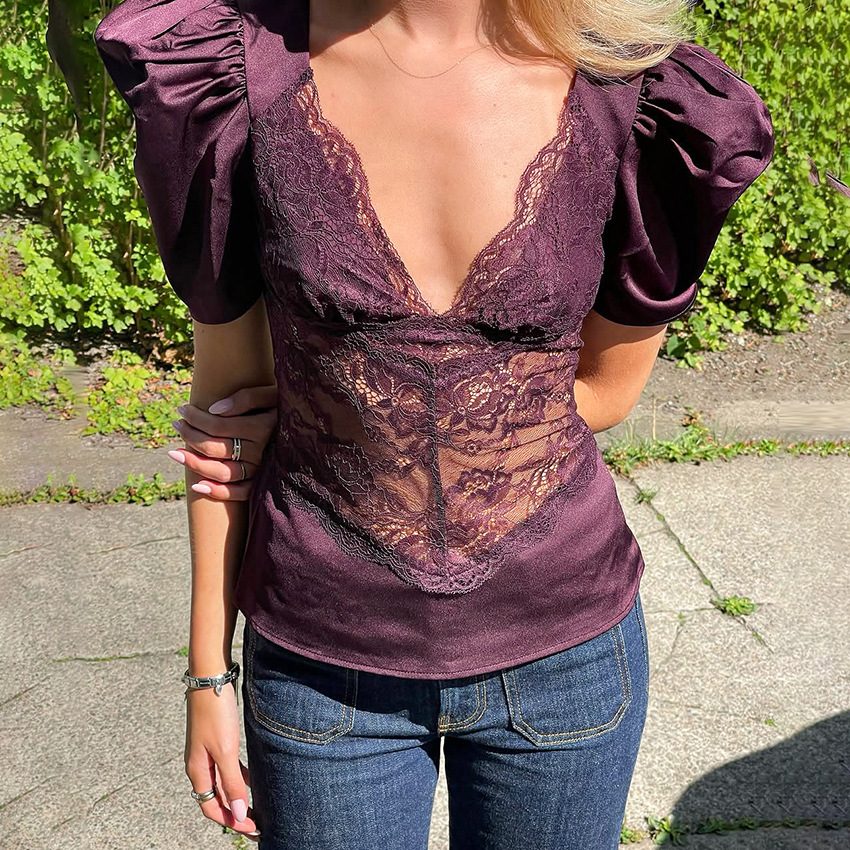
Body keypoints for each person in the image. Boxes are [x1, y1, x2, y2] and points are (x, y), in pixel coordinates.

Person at [94, 0, 774, 846]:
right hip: (321, 667)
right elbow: (226, 414)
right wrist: (208, 674)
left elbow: (604, 389)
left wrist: (376, 422)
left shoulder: (633, 91)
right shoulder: (235, 78)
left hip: (564, 660)